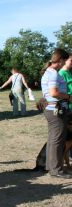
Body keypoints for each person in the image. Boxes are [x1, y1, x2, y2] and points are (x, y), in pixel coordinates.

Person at [40, 48, 71, 178]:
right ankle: (56, 170)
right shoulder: (53, 74)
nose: (65, 63)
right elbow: (54, 93)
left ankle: (51, 167)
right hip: (55, 110)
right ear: (61, 60)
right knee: (57, 140)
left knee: (53, 140)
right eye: (65, 60)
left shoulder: (49, 72)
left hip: (52, 109)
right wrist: (69, 97)